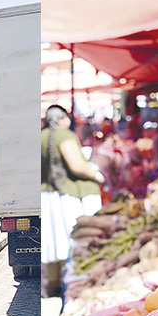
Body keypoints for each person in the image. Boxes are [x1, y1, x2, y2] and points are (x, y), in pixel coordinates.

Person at [41, 105, 104, 297]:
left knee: (54, 242)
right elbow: (77, 166)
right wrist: (96, 175)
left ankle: (53, 285)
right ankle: (77, 283)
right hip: (67, 196)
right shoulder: (64, 135)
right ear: (63, 119)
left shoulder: (41, 136)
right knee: (73, 241)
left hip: (48, 196)